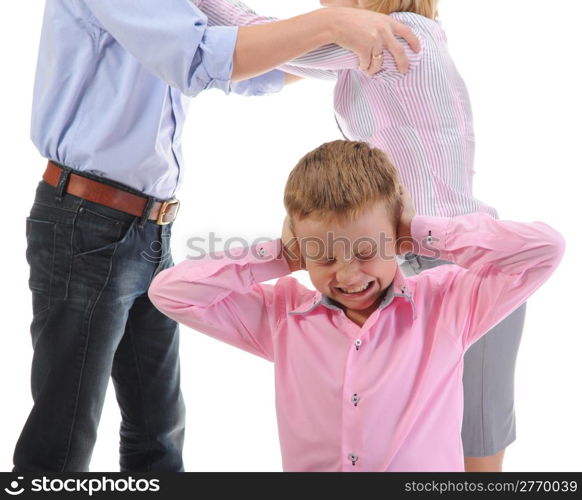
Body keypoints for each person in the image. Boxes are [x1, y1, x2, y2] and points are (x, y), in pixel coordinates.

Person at [15, 0, 420, 472]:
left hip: (149, 225)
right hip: (86, 221)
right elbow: (199, 58)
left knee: (158, 428)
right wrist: (332, 24)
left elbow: (246, 68)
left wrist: (345, 48)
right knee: (64, 434)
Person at [192, 0, 526, 472]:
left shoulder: (400, 38)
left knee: (477, 453)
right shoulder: (374, 48)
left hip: (455, 265)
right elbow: (279, 53)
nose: (319, 5)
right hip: (397, 262)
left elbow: (267, 36)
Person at [148, 140, 565, 472]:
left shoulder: (448, 303)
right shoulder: (283, 317)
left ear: (397, 238)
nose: (348, 275)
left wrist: (420, 230)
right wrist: (281, 256)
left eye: (367, 252)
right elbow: (170, 292)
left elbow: (545, 249)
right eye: (325, 258)